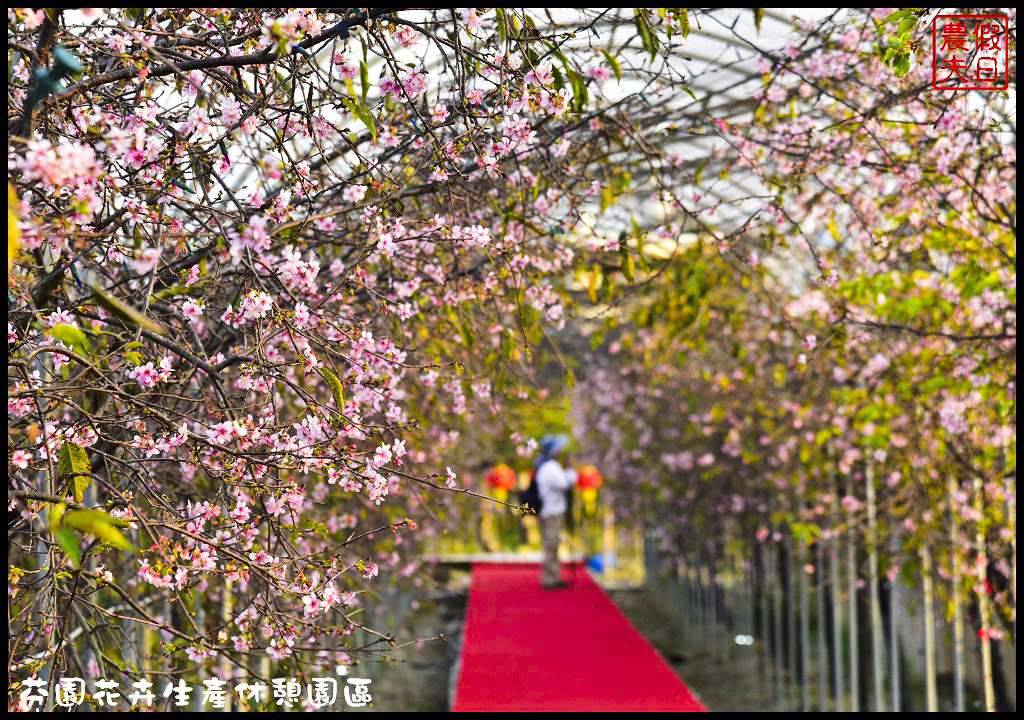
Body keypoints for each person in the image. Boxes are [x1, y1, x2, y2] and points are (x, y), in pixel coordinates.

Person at [534, 435, 574, 588]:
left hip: (549, 510)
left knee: (552, 544)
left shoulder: (545, 467)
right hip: (552, 511)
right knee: (551, 544)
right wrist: (570, 471)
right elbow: (564, 483)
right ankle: (550, 579)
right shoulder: (551, 467)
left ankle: (553, 576)